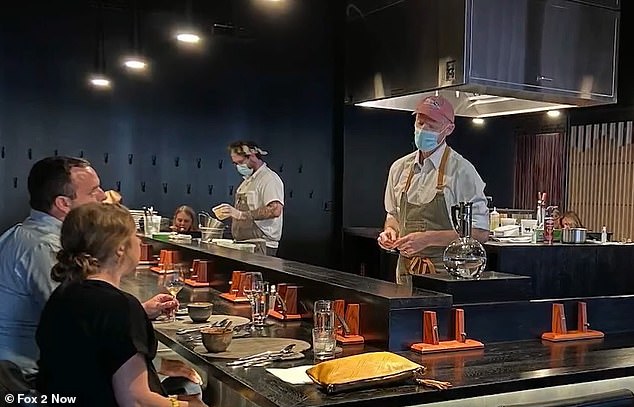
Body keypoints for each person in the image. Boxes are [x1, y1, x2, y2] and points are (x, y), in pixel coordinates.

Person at [0, 156, 174, 374]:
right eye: (93, 191)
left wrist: (140, 310)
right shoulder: (44, 248)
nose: (103, 196)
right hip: (30, 378)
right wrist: (158, 366)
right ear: (63, 203)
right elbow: (80, 330)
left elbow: (85, 315)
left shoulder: (19, 234)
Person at [36, 203, 207, 407]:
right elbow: (135, 400)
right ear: (120, 249)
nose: (140, 240)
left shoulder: (64, 293)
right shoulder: (121, 306)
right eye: (135, 235)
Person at [377, 96, 489, 286]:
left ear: (448, 129)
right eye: (420, 123)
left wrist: (428, 239)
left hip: (446, 276)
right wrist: (389, 231)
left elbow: (480, 232)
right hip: (406, 274)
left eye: (432, 125)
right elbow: (393, 214)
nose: (423, 130)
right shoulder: (399, 168)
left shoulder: (462, 172)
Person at [215, 141, 284, 256]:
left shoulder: (269, 179)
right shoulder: (247, 182)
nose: (238, 167)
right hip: (244, 244)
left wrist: (241, 215)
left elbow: (275, 210)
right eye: (235, 163)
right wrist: (229, 212)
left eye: (240, 162)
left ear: (252, 156)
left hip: (261, 245)